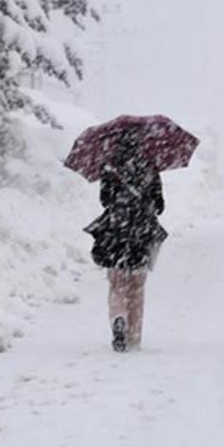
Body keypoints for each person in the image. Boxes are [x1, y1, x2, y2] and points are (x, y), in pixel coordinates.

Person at [84, 133, 167, 352]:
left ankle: (118, 318)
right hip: (141, 234)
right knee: (137, 288)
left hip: (116, 236)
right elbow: (159, 205)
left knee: (117, 285)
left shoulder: (109, 167)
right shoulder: (150, 168)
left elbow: (105, 200)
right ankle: (133, 337)